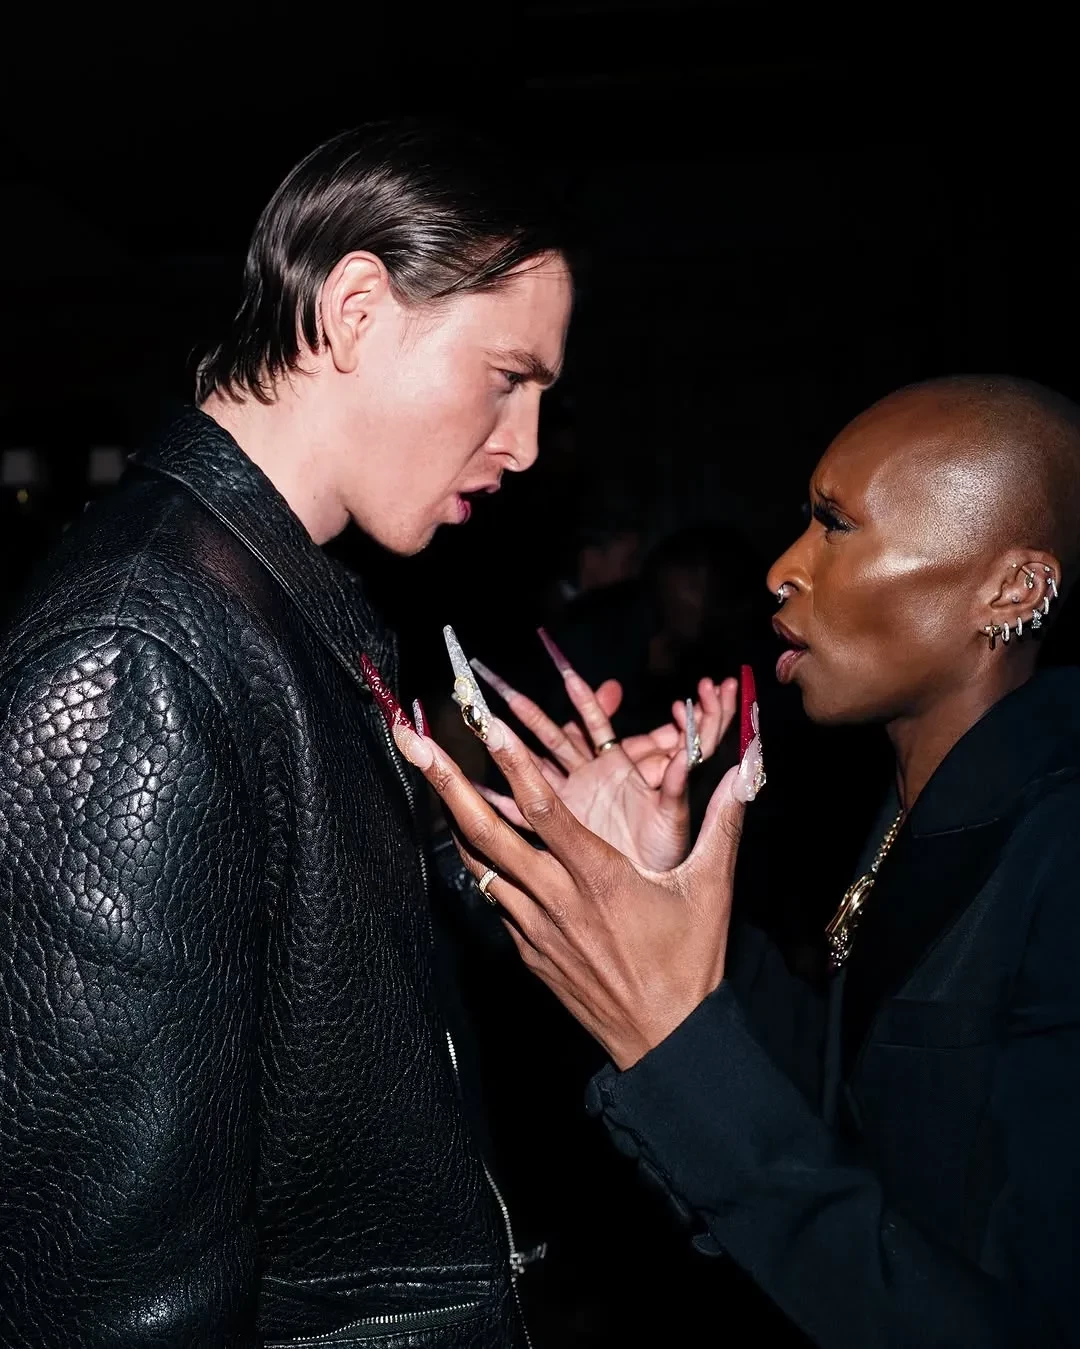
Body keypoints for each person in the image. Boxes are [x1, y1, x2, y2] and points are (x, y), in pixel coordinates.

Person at [0, 120, 582, 1347]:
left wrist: (556, 845)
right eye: (507, 375)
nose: (526, 444)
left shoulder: (282, 596)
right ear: (357, 309)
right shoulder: (140, 645)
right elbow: (109, 1290)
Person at [396, 375, 1080, 1346]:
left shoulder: (1059, 847)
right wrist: (665, 896)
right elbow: (854, 1100)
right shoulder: (920, 804)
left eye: (836, 527)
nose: (783, 568)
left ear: (1012, 588)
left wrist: (677, 1043)